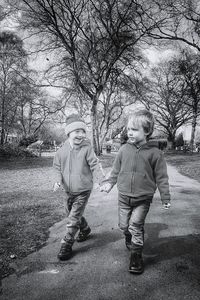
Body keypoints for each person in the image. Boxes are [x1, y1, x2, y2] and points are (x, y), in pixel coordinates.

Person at [100, 109, 171, 274]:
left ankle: (136, 255)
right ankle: (128, 235)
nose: (129, 132)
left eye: (134, 129)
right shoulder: (124, 149)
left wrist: (165, 197)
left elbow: (162, 177)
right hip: (124, 197)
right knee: (124, 226)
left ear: (146, 131)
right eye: (128, 129)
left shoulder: (155, 153)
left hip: (143, 198)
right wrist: (109, 184)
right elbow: (116, 170)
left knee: (135, 225)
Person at [53, 114, 104, 261]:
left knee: (73, 218)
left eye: (83, 131)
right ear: (69, 133)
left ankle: (67, 243)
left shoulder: (87, 149)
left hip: (83, 190)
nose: (81, 135)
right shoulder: (61, 151)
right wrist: (57, 180)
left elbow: (95, 165)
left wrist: (100, 180)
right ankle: (85, 229)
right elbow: (56, 168)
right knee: (70, 214)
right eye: (77, 131)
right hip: (68, 190)